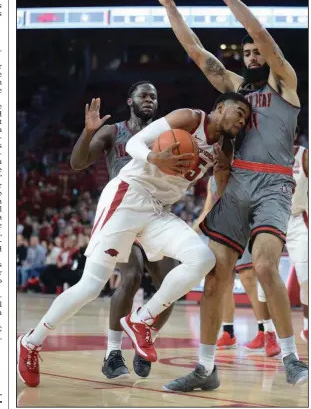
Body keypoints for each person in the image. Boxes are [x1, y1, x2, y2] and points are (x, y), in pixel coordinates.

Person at [17, 90, 251, 388]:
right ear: (220, 108)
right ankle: (31, 342)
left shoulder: (224, 149)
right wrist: (155, 157)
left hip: (159, 211)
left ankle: (142, 319)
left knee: (203, 258)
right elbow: (134, 143)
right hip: (129, 196)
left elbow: (221, 188)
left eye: (246, 117)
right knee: (91, 286)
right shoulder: (190, 118)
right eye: (238, 112)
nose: (241, 120)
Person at [149, 0, 308, 390]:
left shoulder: (286, 82)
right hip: (237, 183)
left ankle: (292, 357)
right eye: (247, 52)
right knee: (217, 275)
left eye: (257, 51)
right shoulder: (237, 93)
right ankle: (205, 368)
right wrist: (169, 5)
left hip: (274, 183)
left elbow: (260, 31)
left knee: (265, 265)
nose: (253, 53)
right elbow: (198, 53)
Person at [71, 81, 179, 379]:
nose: (149, 99)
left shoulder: (166, 132)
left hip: (155, 214)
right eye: (143, 95)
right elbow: (78, 162)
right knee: (131, 276)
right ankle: (113, 353)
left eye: (154, 96)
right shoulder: (113, 131)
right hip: (122, 213)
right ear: (130, 101)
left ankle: (146, 340)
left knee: (172, 284)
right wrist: (89, 130)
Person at [194, 176, 281, 357]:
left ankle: (264, 331)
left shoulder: (243, 173)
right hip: (221, 232)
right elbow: (208, 209)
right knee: (222, 281)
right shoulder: (212, 180)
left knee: (248, 278)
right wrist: (192, 229)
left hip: (244, 228)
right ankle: (228, 333)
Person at [258, 136, 308, 343]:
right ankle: (268, 332)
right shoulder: (263, 156)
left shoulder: (304, 155)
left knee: (307, 277)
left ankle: (307, 328)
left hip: (297, 220)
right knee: (264, 271)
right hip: (271, 218)